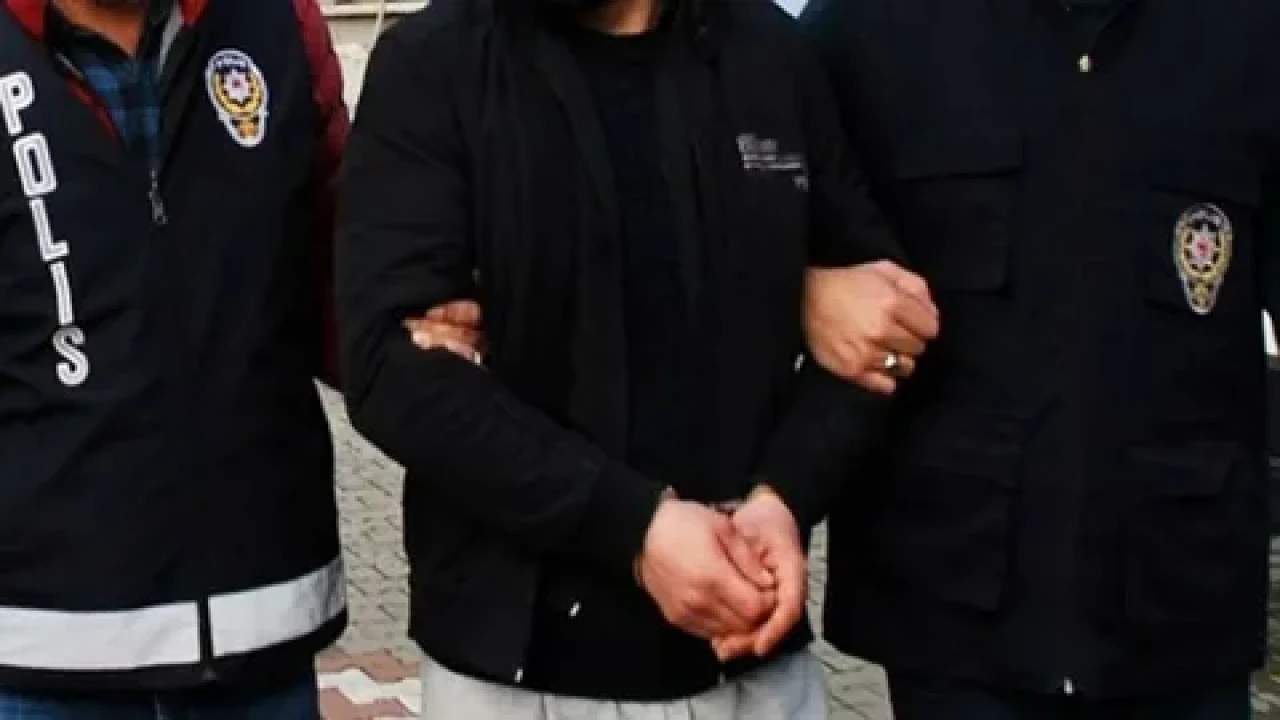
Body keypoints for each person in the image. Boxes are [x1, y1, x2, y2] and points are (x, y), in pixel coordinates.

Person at [336, 0, 939, 717]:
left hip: (752, 663)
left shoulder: (769, 56)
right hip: (518, 679)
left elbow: (879, 322)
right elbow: (390, 371)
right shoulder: (436, 64)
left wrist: (785, 497)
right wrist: (635, 528)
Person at [798, 0, 1280, 716]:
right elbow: (742, 218)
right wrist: (804, 287)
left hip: (1179, 611)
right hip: (955, 622)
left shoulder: (1256, 32)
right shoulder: (867, 24)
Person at [0, 0, 349, 717]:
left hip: (264, 637)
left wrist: (440, 313)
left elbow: (351, 284)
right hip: (39, 654)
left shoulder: (280, 27)